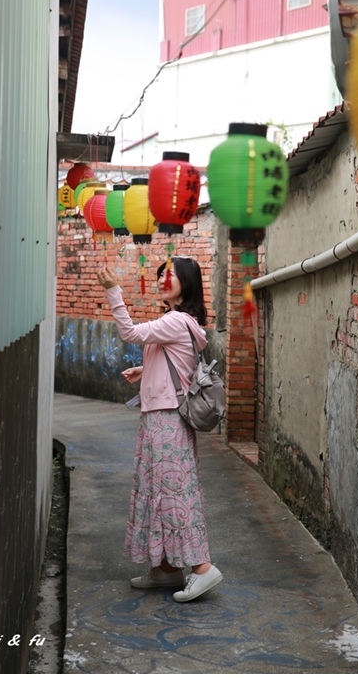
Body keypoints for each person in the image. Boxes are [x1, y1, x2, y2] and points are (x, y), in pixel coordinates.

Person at [96, 257, 222, 602]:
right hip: (161, 418)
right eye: (161, 274)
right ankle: (167, 569)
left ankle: (201, 568)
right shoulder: (180, 322)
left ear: (187, 283)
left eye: (171, 275)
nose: (163, 279)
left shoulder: (177, 321)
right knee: (160, 491)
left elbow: (130, 332)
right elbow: (174, 362)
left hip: (167, 421)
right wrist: (144, 368)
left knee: (173, 495)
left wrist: (113, 291)